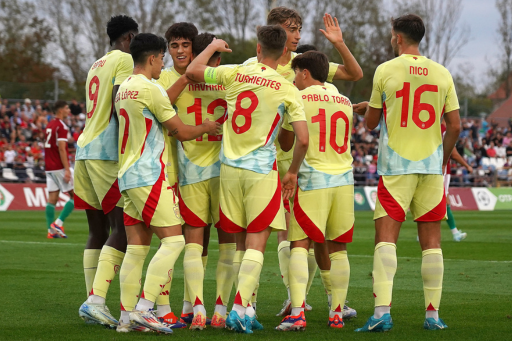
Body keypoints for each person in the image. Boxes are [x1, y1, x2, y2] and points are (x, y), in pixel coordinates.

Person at [186, 25, 309, 334]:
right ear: (284, 53)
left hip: (228, 169)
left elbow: (193, 70)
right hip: (260, 171)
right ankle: (240, 308)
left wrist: (212, 46)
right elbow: (302, 140)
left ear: (257, 48)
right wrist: (292, 171)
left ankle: (245, 308)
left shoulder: (234, 73)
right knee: (257, 240)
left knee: (241, 242)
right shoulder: (286, 88)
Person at [244, 7, 362, 316]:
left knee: (310, 236)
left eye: (298, 29)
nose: (298, 35)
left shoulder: (302, 68)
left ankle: (324, 299)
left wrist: (338, 42)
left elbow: (354, 73)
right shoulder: (255, 66)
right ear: (276, 32)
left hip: (301, 165)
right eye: (292, 29)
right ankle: (255, 301)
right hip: (268, 163)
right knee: (274, 234)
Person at [353, 14, 461, 331]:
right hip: (430, 168)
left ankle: (381, 314)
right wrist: (440, 158)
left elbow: (372, 123)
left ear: (398, 38)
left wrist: (368, 108)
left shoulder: (386, 70)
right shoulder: (442, 73)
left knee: (386, 239)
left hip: (396, 167)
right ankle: (432, 317)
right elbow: (454, 126)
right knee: (432, 243)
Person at [114, 33, 219, 333]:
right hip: (149, 175)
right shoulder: (151, 89)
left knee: (136, 248)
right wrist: (207, 127)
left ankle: (126, 318)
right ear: (153, 58)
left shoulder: (124, 89)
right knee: (175, 241)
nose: (163, 64)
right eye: (162, 58)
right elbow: (181, 132)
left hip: (127, 176)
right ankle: (146, 309)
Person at [275, 51, 355, 331]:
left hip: (312, 180)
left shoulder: (297, 99)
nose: (294, 79)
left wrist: (292, 171)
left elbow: (286, 143)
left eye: (296, 73)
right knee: (338, 248)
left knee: (299, 243)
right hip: (344, 181)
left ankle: (297, 313)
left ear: (305, 73)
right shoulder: (344, 101)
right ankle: (336, 313)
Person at [167, 32, 236, 330]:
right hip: (226, 170)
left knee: (193, 243)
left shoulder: (173, 81)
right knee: (227, 243)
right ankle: (220, 310)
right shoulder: (232, 80)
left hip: (191, 170)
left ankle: (197, 309)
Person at [77, 15, 139, 328]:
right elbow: (119, 104)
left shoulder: (96, 63)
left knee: (96, 230)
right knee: (124, 228)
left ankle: (93, 300)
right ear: (129, 37)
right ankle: (95, 301)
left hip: (84, 148)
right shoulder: (126, 60)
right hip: (105, 153)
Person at [152, 22, 198, 326]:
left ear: (195, 46)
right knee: (168, 242)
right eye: (174, 46)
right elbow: (163, 104)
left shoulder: (213, 75)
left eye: (184, 45)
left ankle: (192, 306)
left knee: (198, 243)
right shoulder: (162, 79)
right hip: (168, 171)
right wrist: (188, 76)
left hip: (205, 173)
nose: (179, 51)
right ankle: (160, 306)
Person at [44, 100, 75, 239]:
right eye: (67, 108)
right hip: (58, 166)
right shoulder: (61, 126)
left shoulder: (50, 125)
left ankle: (51, 231)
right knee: (77, 196)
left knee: (52, 199)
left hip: (49, 167)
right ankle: (57, 223)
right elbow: (62, 148)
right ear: (61, 110)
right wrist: (67, 169)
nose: (69, 110)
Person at [442, 121, 471, 242]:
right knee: (442, 201)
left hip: (434, 167)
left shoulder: (434, 128)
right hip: (442, 169)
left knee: (443, 201)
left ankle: (455, 233)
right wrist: (467, 166)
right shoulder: (444, 130)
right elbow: (453, 154)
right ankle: (455, 233)